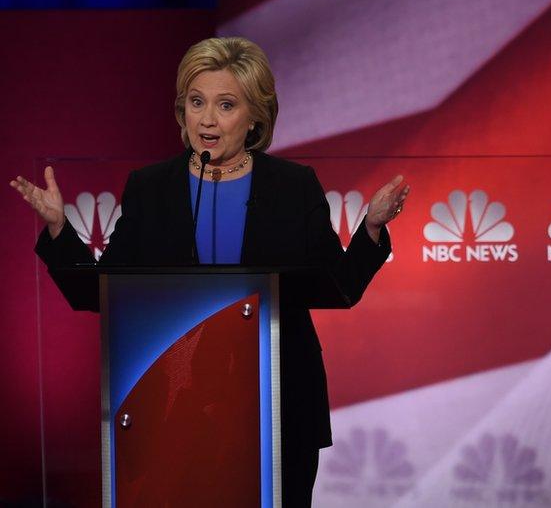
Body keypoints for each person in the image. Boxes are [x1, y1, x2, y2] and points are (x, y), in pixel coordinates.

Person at [10, 37, 409, 506]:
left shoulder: (293, 187)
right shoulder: (151, 188)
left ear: (255, 115)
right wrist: (59, 229)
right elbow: (105, 290)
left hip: (277, 406)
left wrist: (372, 229)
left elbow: (339, 287)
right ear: (182, 111)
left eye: (225, 105)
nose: (207, 120)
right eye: (196, 103)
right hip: (175, 408)